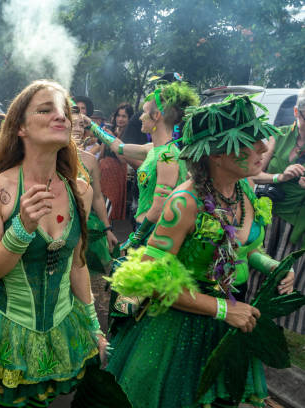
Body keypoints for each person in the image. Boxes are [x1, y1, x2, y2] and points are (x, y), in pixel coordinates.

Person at [106, 95, 296, 407]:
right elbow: (149, 280)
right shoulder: (185, 202)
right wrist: (223, 309)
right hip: (176, 336)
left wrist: (273, 264)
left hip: (226, 329)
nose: (263, 147)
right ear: (217, 154)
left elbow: (241, 250)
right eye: (251, 140)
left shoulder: (242, 189)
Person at [0, 80, 107, 407]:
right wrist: (22, 229)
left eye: (64, 112)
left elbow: (78, 266)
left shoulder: (80, 190)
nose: (61, 118)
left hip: (65, 330)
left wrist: (94, 325)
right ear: (20, 127)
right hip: (9, 334)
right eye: (46, 109)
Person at [92, 82, 199, 249]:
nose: (140, 117)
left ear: (156, 116)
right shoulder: (153, 149)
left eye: (143, 112)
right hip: (142, 229)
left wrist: (135, 239)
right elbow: (119, 147)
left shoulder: (167, 156)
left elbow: (159, 208)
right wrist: (90, 126)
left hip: (153, 235)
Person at [251, 87, 305, 333]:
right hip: (266, 218)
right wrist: (279, 176)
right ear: (296, 112)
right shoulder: (278, 135)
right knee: (254, 276)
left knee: (282, 281)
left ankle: (268, 334)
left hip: (295, 227)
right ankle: (244, 327)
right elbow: (253, 174)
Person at [72, 113, 118, 273]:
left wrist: (107, 229)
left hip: (85, 225)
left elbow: (98, 197)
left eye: (81, 125)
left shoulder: (90, 160)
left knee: (79, 270)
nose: (78, 129)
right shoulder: (50, 156)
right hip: (56, 223)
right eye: (73, 124)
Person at [94, 103, 134, 221]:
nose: (120, 119)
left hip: (115, 175)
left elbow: (123, 159)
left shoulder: (129, 135)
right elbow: (101, 155)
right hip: (102, 173)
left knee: (108, 209)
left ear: (129, 118)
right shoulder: (110, 130)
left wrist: (112, 139)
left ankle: (107, 234)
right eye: (118, 116)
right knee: (98, 206)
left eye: (124, 116)